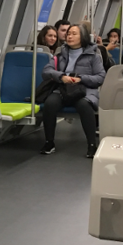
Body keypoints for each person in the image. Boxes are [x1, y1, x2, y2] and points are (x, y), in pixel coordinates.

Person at [40, 24, 106, 158]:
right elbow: (46, 71)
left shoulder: (93, 56)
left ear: (83, 37)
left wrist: (81, 79)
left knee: (84, 105)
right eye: (68, 34)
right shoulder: (61, 54)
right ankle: (49, 142)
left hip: (85, 89)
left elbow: (100, 77)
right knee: (50, 103)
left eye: (74, 34)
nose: (69, 36)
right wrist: (61, 77)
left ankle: (92, 145)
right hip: (64, 88)